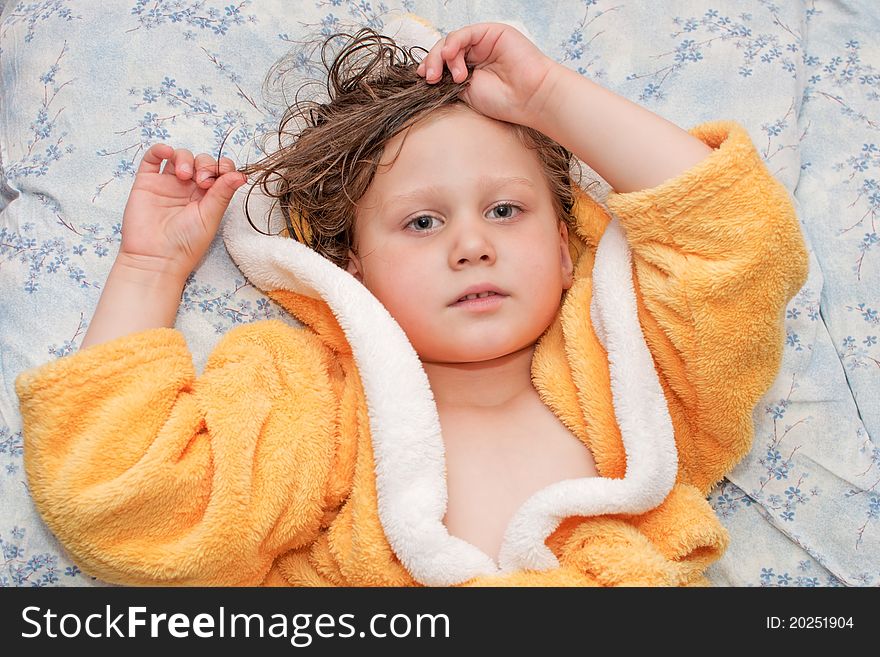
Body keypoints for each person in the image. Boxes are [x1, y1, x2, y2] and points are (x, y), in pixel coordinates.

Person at [15, 22, 809, 586]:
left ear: (566, 249)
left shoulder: (641, 377)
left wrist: (549, 98)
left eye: (505, 210)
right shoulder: (316, 411)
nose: (471, 245)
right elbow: (130, 504)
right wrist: (150, 268)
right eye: (423, 222)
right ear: (351, 273)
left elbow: (740, 239)